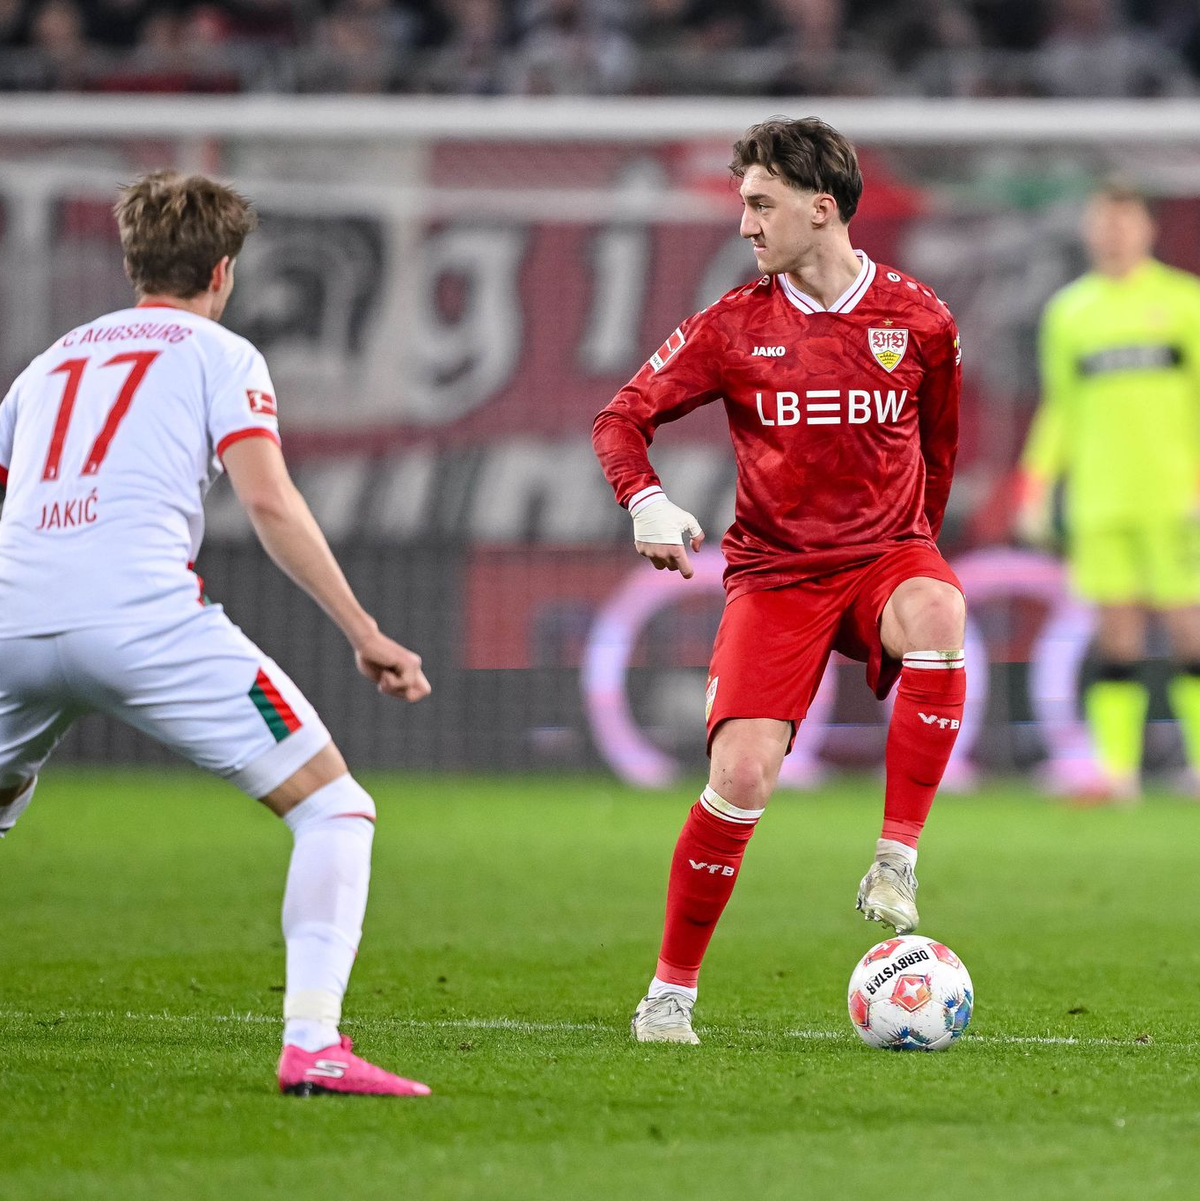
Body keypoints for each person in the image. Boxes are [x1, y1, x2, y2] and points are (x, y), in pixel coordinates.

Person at [0, 170, 432, 1097]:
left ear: (130, 262)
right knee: (335, 807)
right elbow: (268, 500)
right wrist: (364, 629)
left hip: (11, 617)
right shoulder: (219, 353)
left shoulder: (47, 364)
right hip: (141, 620)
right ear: (224, 272)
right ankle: (313, 1043)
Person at [592, 116, 966, 1044]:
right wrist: (644, 499)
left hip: (884, 557)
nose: (747, 221)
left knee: (941, 606)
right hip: (776, 577)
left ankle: (895, 861)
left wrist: (913, 542)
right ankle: (669, 995)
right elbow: (620, 418)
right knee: (744, 774)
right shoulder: (730, 325)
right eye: (743, 203)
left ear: (822, 208)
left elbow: (940, 453)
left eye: (761, 203)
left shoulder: (919, 318)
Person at [1018, 182, 1200, 800]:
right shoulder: (1070, 311)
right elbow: (1059, 411)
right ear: (1090, 232)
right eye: (1105, 223)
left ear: (1149, 229)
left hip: (1177, 498)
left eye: (1126, 222)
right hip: (1100, 499)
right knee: (1116, 636)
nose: (1116, 233)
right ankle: (1117, 772)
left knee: (1190, 630)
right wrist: (1036, 486)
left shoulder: (1185, 303)